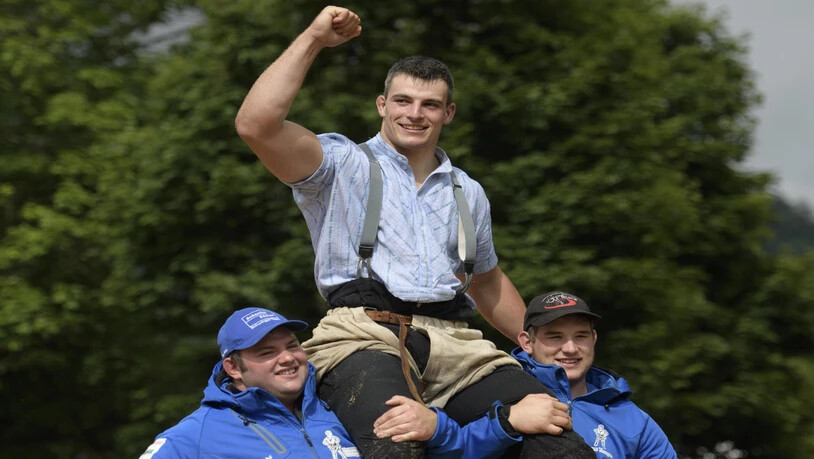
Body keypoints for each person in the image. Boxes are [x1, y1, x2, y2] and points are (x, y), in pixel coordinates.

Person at [234, 5, 594, 458]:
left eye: (430, 105)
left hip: (459, 342)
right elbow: (255, 125)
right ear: (382, 105)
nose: (414, 114)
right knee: (397, 443)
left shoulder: (469, 190)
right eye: (403, 101)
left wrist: (531, 341)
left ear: (449, 113)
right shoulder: (341, 164)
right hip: (363, 334)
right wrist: (314, 39)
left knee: (560, 443)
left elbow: (486, 279)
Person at [138, 307, 539, 459]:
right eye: (266, 353)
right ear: (234, 368)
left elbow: (450, 451)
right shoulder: (199, 433)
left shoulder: (340, 401)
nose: (288, 358)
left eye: (292, 345)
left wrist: (502, 424)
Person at [512, 291, 678, 458]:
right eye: (555, 337)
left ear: (594, 339)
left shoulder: (634, 421)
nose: (571, 349)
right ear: (527, 342)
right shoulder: (500, 396)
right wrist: (505, 424)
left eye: (581, 336)